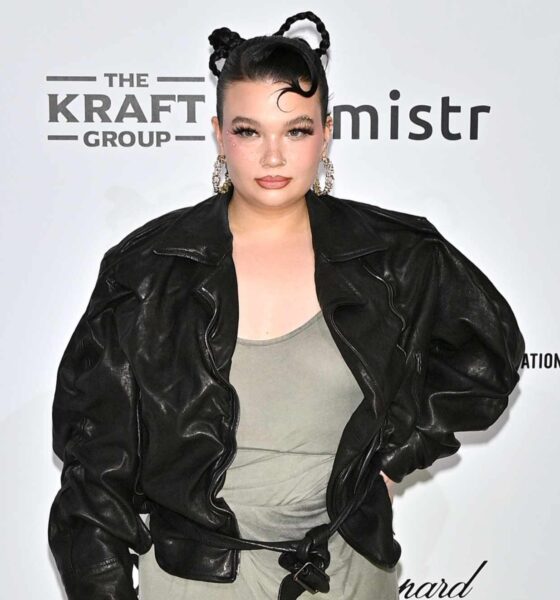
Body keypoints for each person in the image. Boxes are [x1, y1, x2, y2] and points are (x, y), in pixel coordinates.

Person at [47, 10, 525, 600]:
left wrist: (397, 454)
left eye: (295, 130)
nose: (273, 157)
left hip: (347, 571)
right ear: (219, 134)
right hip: (199, 580)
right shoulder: (148, 269)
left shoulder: (396, 255)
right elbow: (94, 471)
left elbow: (487, 357)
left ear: (325, 133)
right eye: (249, 131)